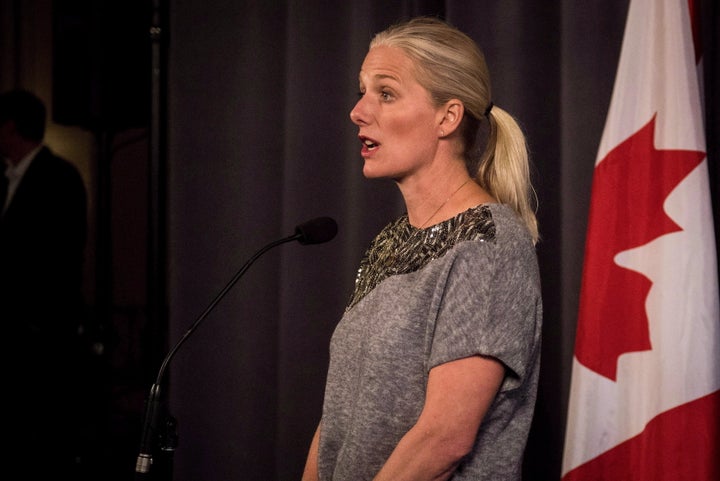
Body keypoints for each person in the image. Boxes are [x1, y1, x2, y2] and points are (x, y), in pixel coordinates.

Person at [301, 17, 542, 481]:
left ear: (447, 117)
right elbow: (338, 416)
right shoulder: (390, 242)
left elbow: (443, 440)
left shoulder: (489, 245)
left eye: (385, 93)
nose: (358, 112)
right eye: (362, 91)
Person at [0, 88, 92, 478]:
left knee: (39, 437)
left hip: (40, 334)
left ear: (10, 126)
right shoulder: (5, 178)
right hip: (14, 332)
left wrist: (31, 319)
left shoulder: (59, 178)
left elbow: (60, 257)